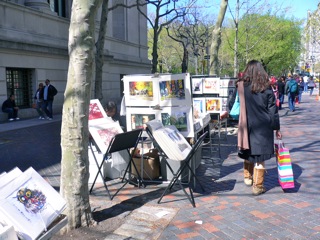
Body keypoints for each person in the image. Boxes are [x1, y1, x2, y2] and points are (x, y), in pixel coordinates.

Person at [232, 60, 281, 196]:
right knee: (260, 157)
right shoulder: (266, 88)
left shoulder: (241, 86)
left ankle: (248, 178)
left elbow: (233, 103)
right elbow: (273, 111)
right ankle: (258, 186)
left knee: (248, 151)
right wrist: (277, 128)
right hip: (263, 126)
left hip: (246, 125)